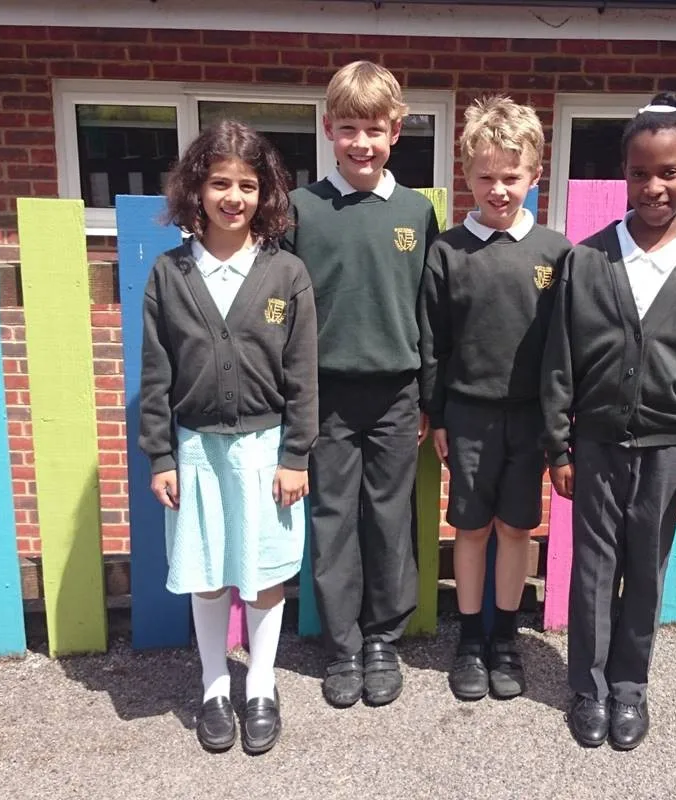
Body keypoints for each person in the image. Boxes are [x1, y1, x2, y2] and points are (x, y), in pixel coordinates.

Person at [541, 92, 676, 750]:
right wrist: (560, 447)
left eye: (669, 172)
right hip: (596, 444)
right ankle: (588, 687)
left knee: (646, 572)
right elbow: (560, 361)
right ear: (624, 174)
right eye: (639, 173)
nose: (654, 187)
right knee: (593, 569)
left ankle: (630, 686)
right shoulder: (588, 260)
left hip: (668, 449)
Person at [140, 120, 318, 754]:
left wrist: (296, 454)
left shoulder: (286, 273)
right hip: (195, 449)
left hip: (266, 449)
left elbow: (302, 374)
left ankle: (261, 683)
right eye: (220, 183)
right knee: (209, 568)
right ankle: (215, 683)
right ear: (197, 187)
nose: (233, 197)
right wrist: (160, 455)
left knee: (263, 568)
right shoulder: (170, 273)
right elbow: (156, 371)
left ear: (265, 194)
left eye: (247, 185)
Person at [282, 61, 439, 709]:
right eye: (349, 129)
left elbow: (430, 310)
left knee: (389, 517)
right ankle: (343, 644)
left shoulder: (416, 212)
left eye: (374, 130)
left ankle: (382, 639)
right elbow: (285, 310)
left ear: (396, 131)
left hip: (397, 394)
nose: (362, 143)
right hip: (327, 396)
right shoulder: (301, 210)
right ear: (328, 129)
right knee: (334, 518)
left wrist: (429, 394)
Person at [420, 96, 571, 701]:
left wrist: (559, 425)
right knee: (471, 527)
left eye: (511, 176)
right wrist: (437, 413)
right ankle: (469, 639)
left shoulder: (557, 253)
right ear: (467, 175)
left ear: (535, 175)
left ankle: (505, 637)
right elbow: (433, 341)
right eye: (486, 177)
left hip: (529, 417)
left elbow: (565, 348)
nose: (499, 189)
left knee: (515, 527)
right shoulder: (448, 251)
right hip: (469, 415)